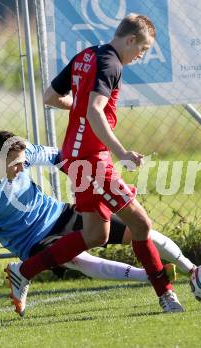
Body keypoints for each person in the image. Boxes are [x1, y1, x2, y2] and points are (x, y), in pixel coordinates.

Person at [0, 131, 195, 325]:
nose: (23, 169)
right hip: (33, 243)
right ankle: (150, 277)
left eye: (24, 163)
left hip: (62, 214)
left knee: (137, 229)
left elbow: (60, 156)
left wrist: (82, 182)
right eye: (17, 165)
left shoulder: (21, 153)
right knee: (79, 259)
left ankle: (193, 271)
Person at [43, 14, 183, 312]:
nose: (140, 56)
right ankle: (166, 294)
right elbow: (94, 112)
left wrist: (76, 105)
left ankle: (23, 271)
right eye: (142, 50)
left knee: (96, 235)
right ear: (130, 40)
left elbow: (50, 97)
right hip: (90, 159)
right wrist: (122, 152)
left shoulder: (87, 54)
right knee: (141, 223)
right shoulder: (112, 63)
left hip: (78, 153)